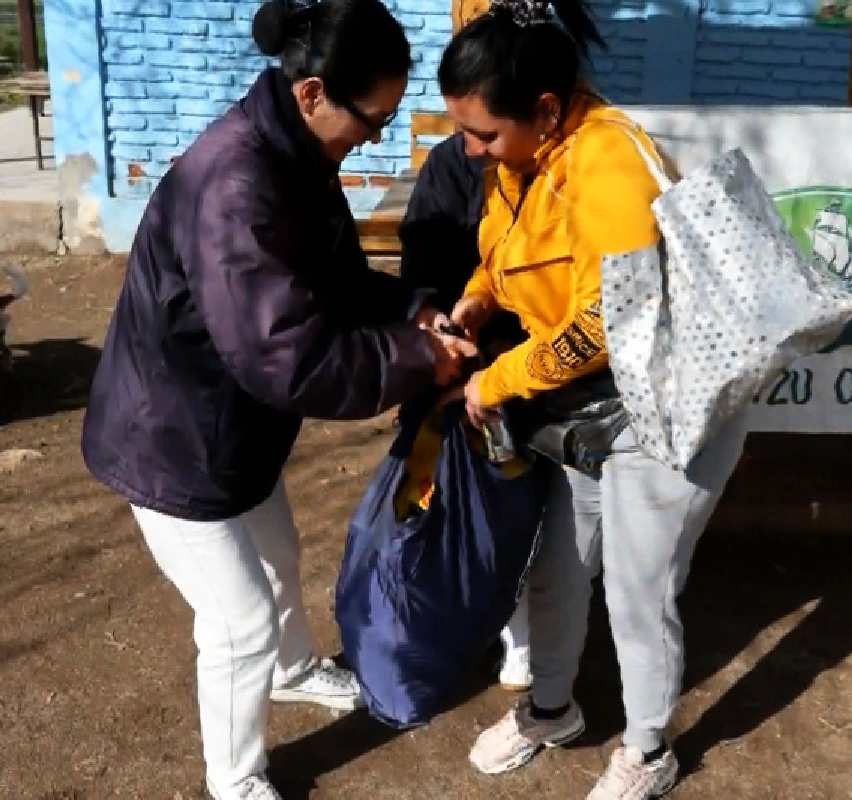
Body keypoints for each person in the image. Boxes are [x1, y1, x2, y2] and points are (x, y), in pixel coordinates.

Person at [80, 0, 472, 797]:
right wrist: (421, 359)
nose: (379, 137)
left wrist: (410, 310)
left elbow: (330, 281)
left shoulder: (297, 157)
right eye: (375, 118)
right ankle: (234, 780)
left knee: (280, 560)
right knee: (239, 622)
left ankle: (292, 671)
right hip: (171, 444)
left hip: (228, 429)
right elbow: (287, 358)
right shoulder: (236, 186)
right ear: (312, 94)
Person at [436, 0, 751, 797]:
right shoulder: (525, 158)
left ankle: (649, 751)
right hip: (587, 410)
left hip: (667, 407)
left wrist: (498, 379)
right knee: (559, 568)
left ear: (545, 111)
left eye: (481, 133)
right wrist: (479, 298)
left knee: (639, 589)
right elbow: (512, 253)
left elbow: (610, 320)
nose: (469, 150)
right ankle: (551, 709)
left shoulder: (606, 161)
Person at [397, 131, 534, 692]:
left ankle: (519, 634)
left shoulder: (564, 169)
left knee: (518, 501)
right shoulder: (452, 163)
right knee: (432, 496)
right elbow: (421, 262)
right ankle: (447, 614)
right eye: (467, 131)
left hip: (526, 365)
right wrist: (438, 324)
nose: (476, 147)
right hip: (452, 361)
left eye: (486, 129)